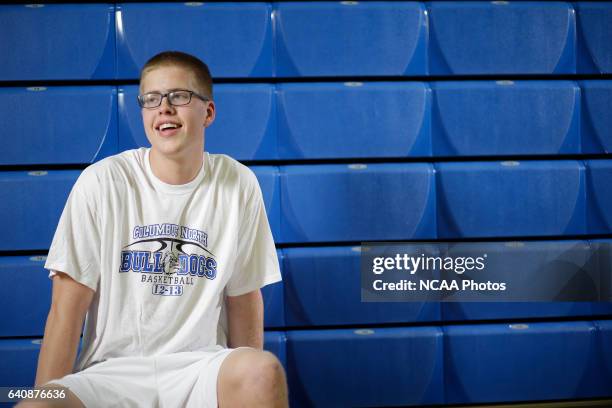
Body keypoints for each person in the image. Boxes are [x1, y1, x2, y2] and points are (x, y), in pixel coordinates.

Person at [17, 51, 288, 408]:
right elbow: (65, 311)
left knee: (263, 371)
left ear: (208, 112)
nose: (164, 108)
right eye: (151, 99)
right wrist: (45, 397)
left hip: (199, 367)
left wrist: (243, 383)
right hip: (111, 373)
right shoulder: (103, 182)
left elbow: (244, 300)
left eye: (179, 96)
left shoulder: (237, 184)